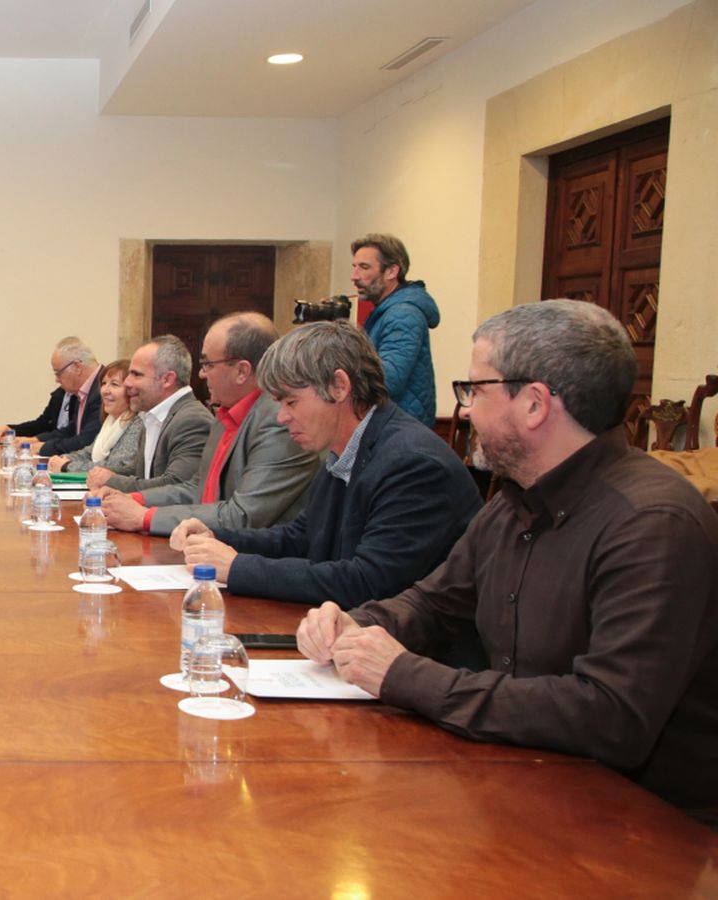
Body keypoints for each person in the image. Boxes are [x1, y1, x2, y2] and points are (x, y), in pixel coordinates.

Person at [297, 300, 718, 812]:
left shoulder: (651, 523)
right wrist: (355, 624)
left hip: (641, 820)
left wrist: (405, 674)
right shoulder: (514, 501)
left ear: (535, 404)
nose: (465, 410)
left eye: (474, 390)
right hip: (519, 780)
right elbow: (434, 603)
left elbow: (610, 715)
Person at [170, 321, 479, 608]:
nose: (282, 417)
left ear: (339, 386)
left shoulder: (413, 464)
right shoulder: (345, 449)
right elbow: (301, 537)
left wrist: (237, 567)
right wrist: (218, 537)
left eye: (291, 402)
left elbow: (369, 582)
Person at [94, 313, 318, 535]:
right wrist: (132, 499)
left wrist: (144, 517)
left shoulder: (279, 422)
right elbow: (197, 489)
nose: (201, 374)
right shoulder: (226, 415)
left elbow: (242, 515)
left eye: (208, 364)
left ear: (242, 371)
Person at [84, 335, 213, 493]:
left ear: (167, 379)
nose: (127, 382)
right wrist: (102, 474)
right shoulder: (152, 415)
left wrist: (111, 481)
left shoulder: (192, 421)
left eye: (136, 374)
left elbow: (177, 486)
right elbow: (139, 471)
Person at [353, 233, 438, 428]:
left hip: (399, 432)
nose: (354, 276)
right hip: (393, 427)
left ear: (391, 271)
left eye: (364, 267)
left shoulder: (403, 315)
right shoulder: (387, 313)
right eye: (354, 267)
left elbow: (387, 380)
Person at [14, 337, 104, 456]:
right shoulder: (84, 388)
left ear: (77, 367)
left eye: (58, 373)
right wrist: (35, 440)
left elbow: (85, 441)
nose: (56, 379)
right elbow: (71, 430)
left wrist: (44, 447)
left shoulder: (102, 391)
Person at [48, 360, 140, 474]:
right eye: (104, 383)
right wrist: (62, 459)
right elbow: (88, 453)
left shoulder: (137, 423)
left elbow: (118, 465)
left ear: (131, 391)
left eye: (114, 384)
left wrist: (67, 466)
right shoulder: (110, 422)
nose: (105, 391)